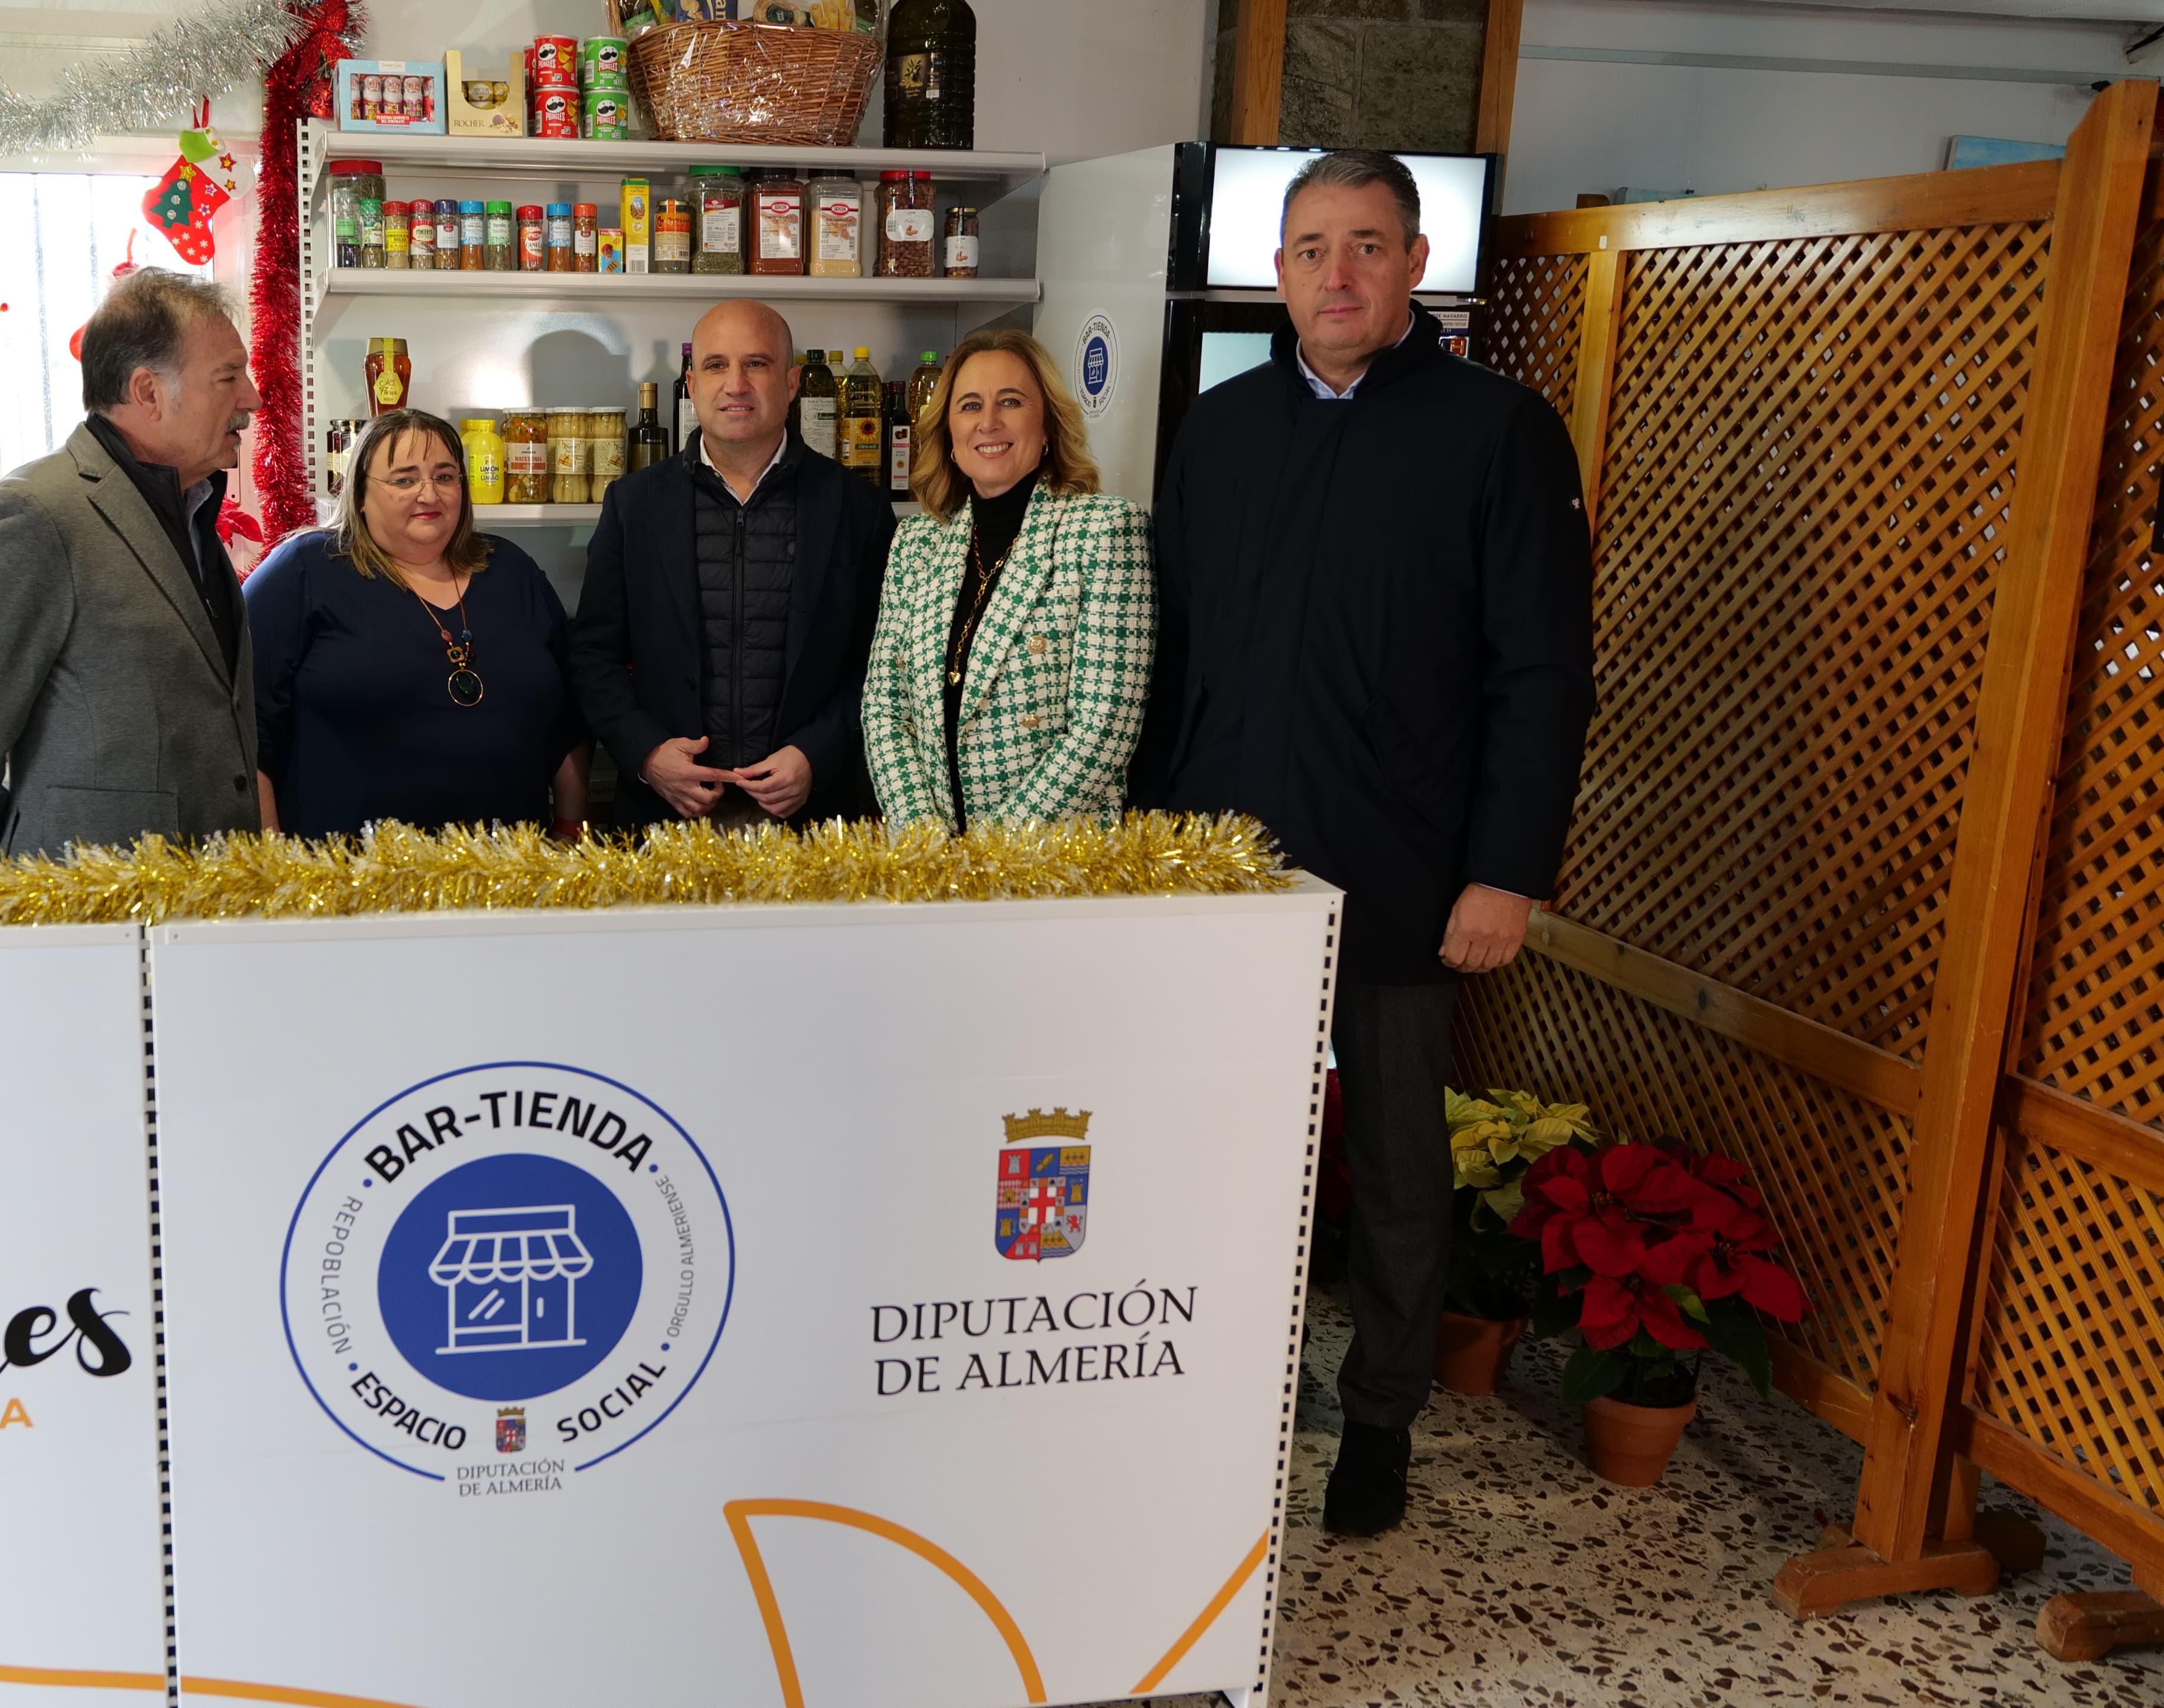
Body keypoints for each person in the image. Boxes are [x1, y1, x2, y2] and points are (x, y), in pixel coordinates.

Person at [1133, 150, 1595, 1537]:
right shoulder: (1219, 430)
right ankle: (1229, 1380)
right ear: (1276, 272)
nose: (1336, 274)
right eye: (1310, 248)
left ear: (1413, 265)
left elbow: (1541, 672)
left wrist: (1504, 870)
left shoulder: (1497, 432)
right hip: (1227, 866)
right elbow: (1176, 650)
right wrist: (1152, 843)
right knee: (1223, 1144)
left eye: (1366, 245)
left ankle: (1380, 1419)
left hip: (1405, 867)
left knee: (1394, 1162)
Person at [0, 267, 263, 854]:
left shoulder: (194, 506)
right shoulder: (35, 515)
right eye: (228, 377)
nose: (251, 397)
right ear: (147, 392)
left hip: (209, 891)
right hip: (88, 898)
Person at [573, 299, 895, 828]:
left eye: (757, 364)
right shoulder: (635, 504)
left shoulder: (858, 507)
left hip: (810, 820)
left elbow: (882, 662)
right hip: (668, 818)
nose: (736, 384)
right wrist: (647, 754)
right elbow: (593, 655)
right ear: (693, 384)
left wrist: (816, 753)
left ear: (791, 383)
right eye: (716, 365)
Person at [246, 408, 587, 837]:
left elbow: (566, 717)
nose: (429, 495)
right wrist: (271, 857)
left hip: (510, 865)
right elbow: (246, 728)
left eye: (445, 476)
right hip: (349, 869)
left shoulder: (511, 568)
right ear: (359, 494)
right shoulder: (304, 569)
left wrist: (572, 825)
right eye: (404, 480)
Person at [862, 327, 1150, 828]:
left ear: (1048, 425)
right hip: (930, 856)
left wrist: (988, 855)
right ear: (949, 434)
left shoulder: (1105, 530)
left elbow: (1103, 731)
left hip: (1053, 855)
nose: (988, 422)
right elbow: (885, 711)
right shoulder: (917, 543)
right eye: (970, 406)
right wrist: (923, 842)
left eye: (1011, 402)